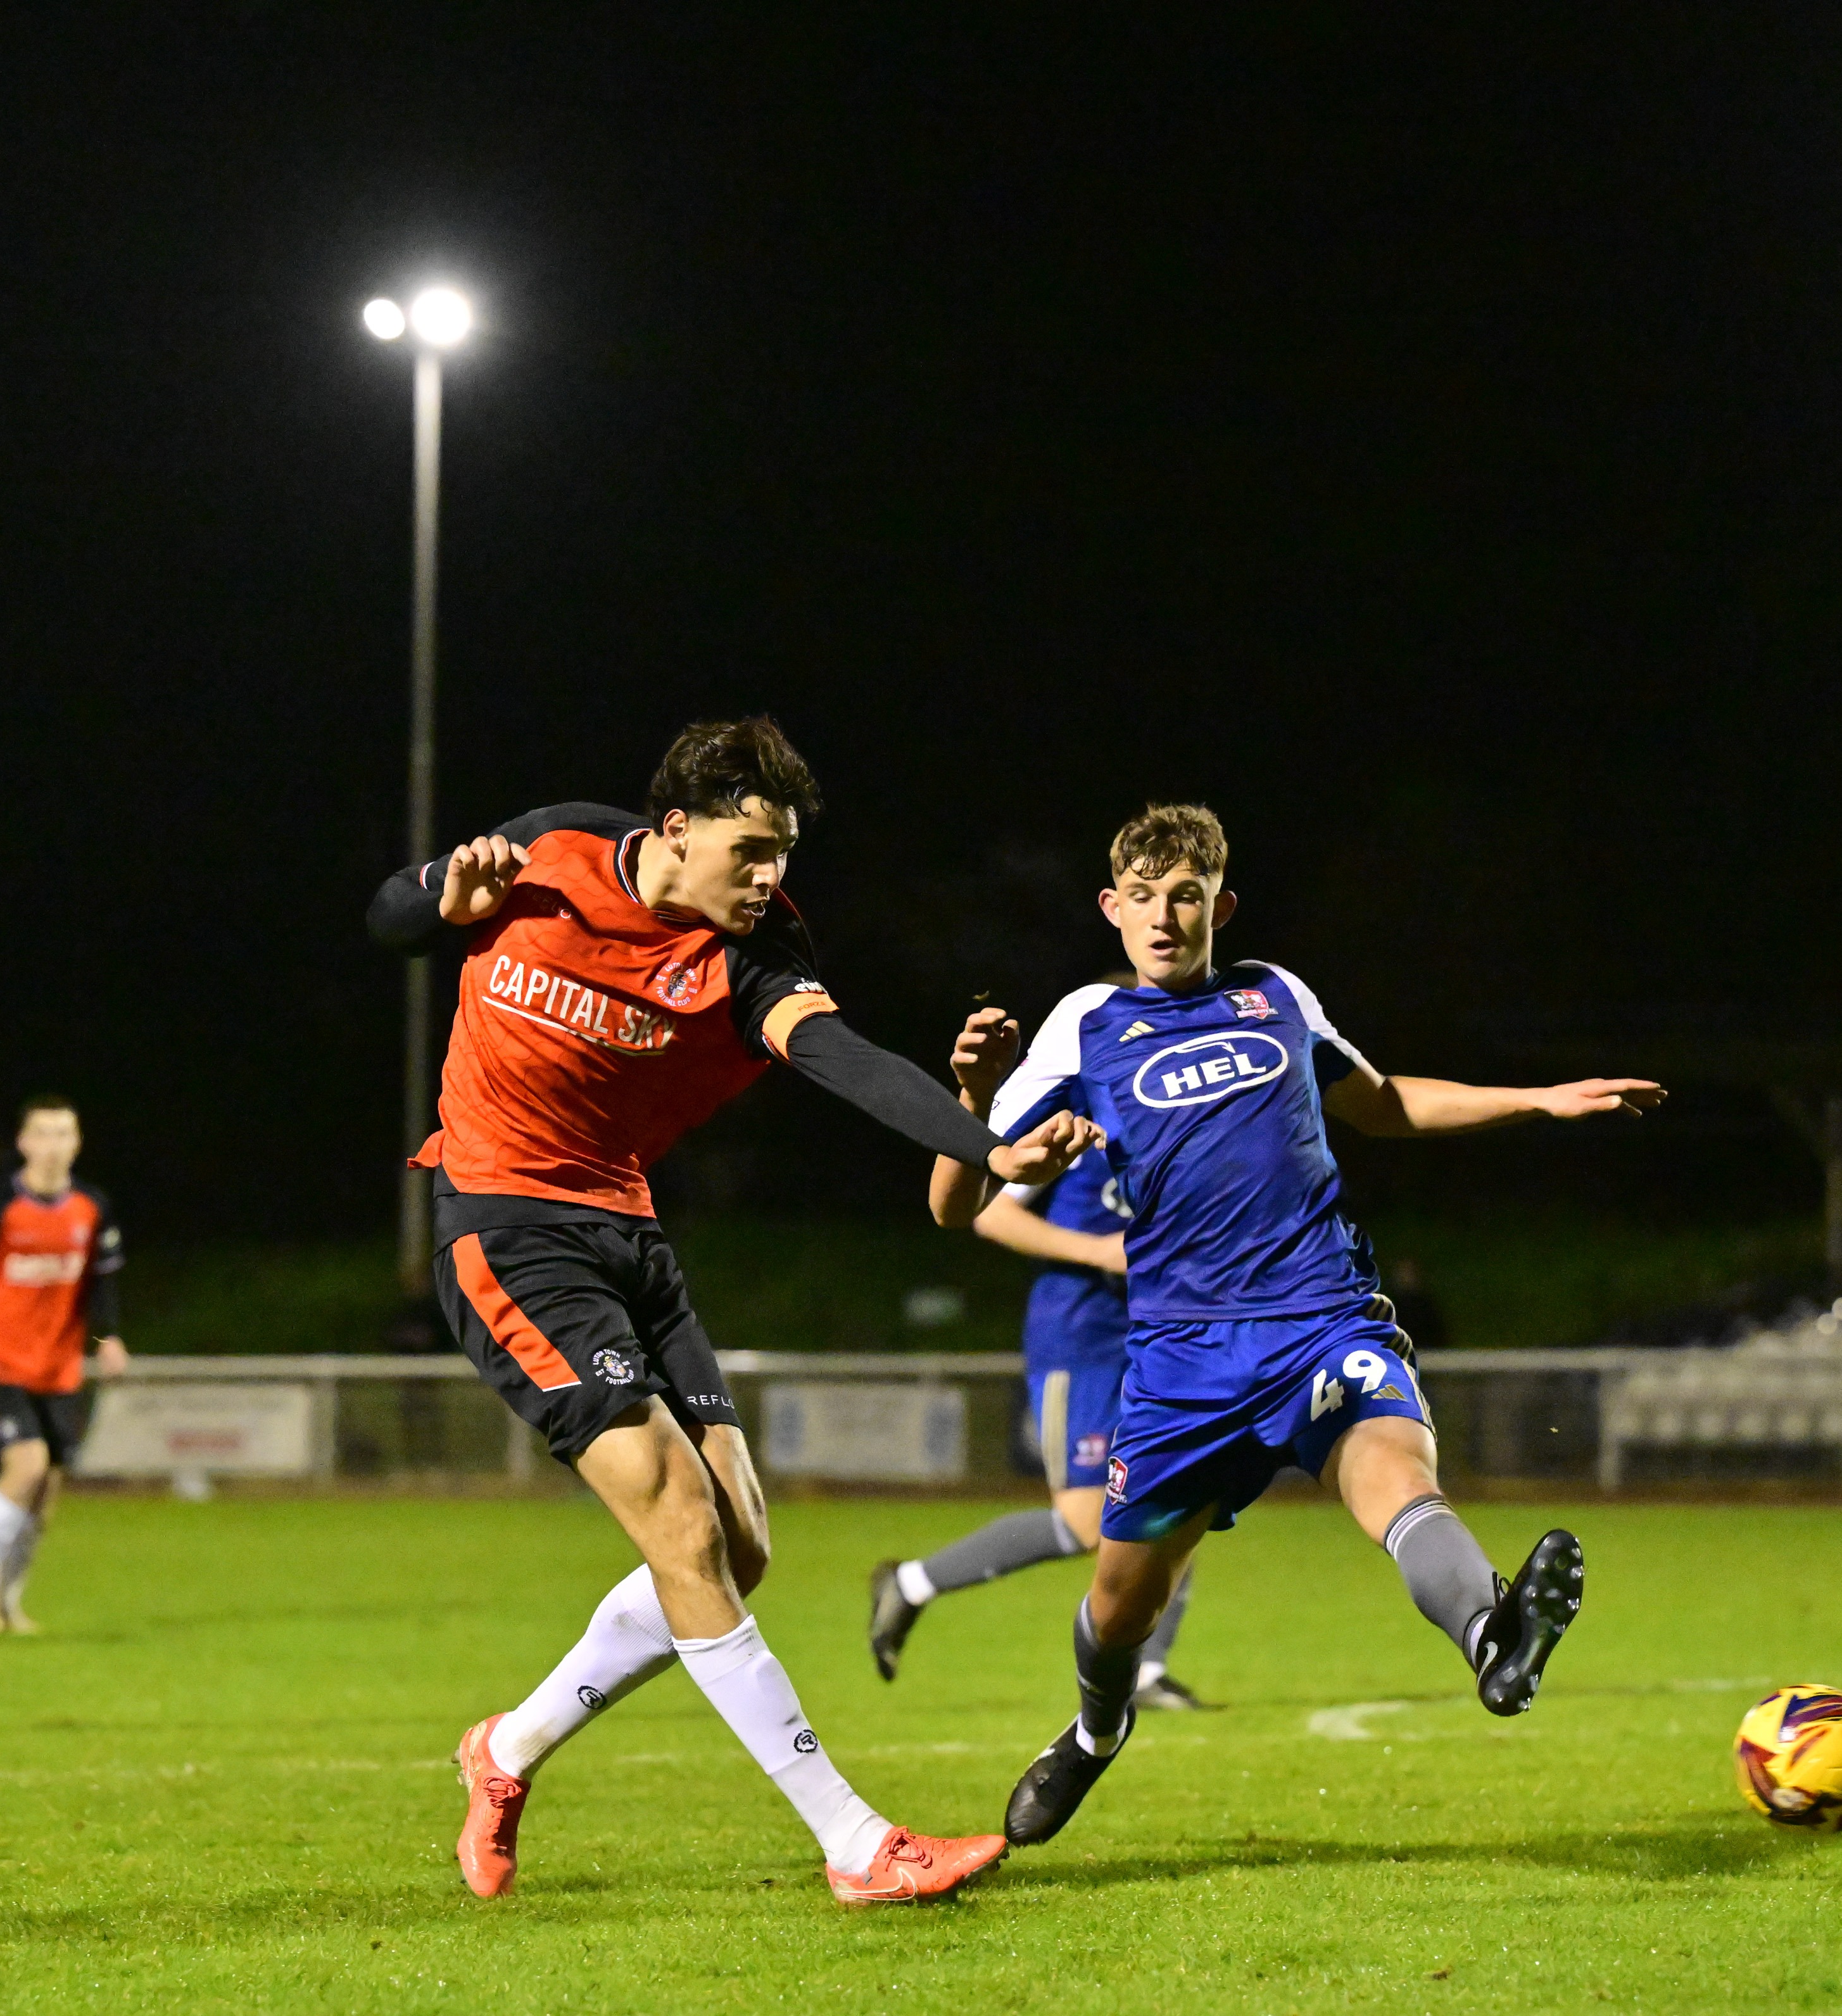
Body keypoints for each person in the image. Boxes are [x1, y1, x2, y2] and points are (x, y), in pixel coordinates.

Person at [365, 716, 1100, 1906]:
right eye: (752, 849)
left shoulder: (757, 956)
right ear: (675, 830)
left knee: (734, 1547)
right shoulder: (550, 847)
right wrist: (445, 898)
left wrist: (989, 1142)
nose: (771, 877)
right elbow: (389, 920)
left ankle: (504, 1749)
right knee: (677, 1517)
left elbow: (849, 1061)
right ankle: (858, 1840)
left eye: (785, 854)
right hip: (504, 1223)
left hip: (629, 1231)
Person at [925, 804, 1663, 1846]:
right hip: (1184, 1354)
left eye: (1186, 894)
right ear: (1112, 907)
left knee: (1398, 1473)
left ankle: (1493, 1630)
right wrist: (975, 1095)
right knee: (1119, 1602)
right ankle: (1095, 1731)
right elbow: (952, 1204)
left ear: (1221, 904)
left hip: (1322, 1314)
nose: (1164, 915)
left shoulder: (1276, 995)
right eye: (1142, 895)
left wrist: (1538, 1101)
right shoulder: (1083, 1023)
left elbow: (1385, 1101)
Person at [866, 1093, 1211, 1711]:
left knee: (1183, 1492)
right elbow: (992, 1215)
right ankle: (912, 1583)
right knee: (1085, 1521)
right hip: (1081, 1340)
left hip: (1162, 1333)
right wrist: (1100, 1250)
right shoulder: (1081, 1122)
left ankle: (1147, 1673)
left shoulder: (1199, 1128)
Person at [0, 1099, 127, 1633]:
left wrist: (108, 1338)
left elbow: (102, 1281)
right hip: (1, 1363)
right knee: (27, 1467)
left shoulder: (92, 1206)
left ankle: (10, 1600)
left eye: (65, 1133)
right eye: (43, 1133)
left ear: (77, 1142)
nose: (54, 1144)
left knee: (46, 1494)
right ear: (23, 1143)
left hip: (60, 1369)